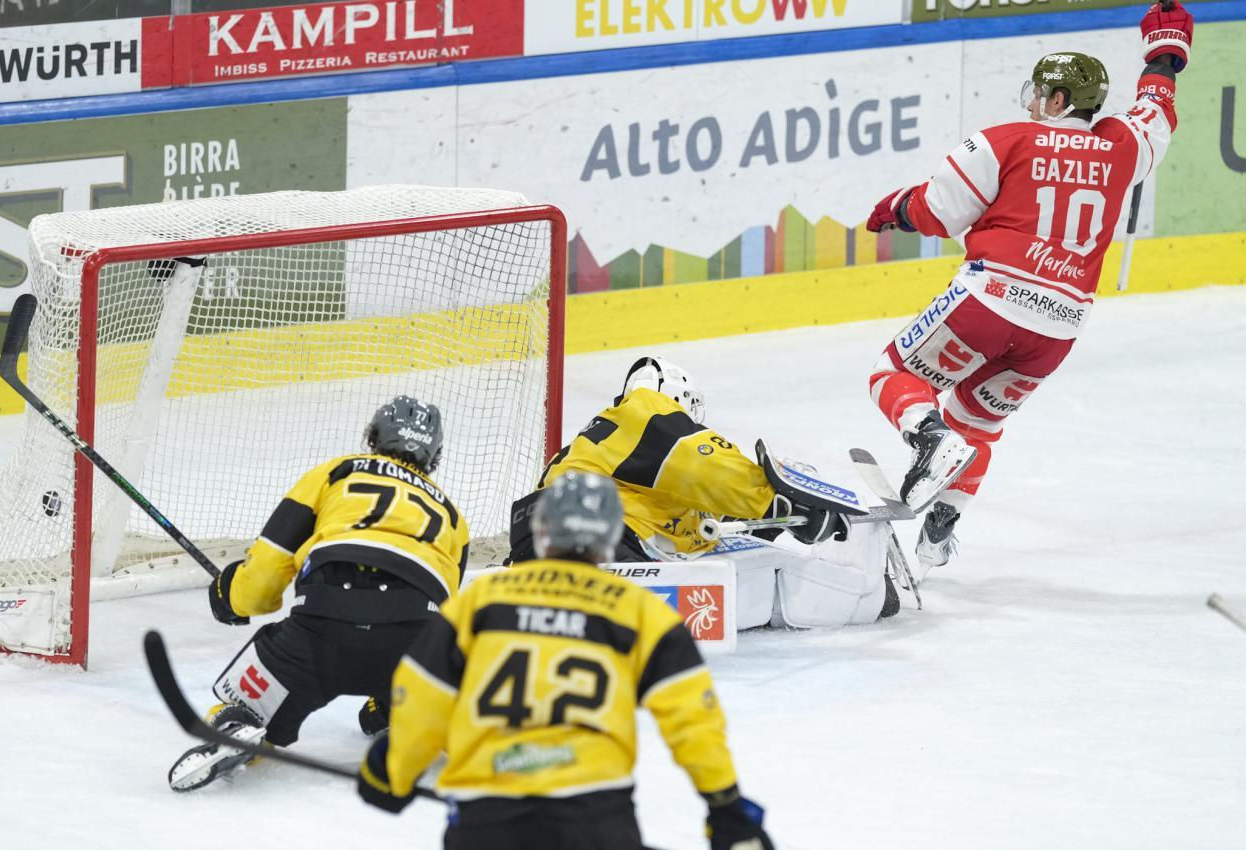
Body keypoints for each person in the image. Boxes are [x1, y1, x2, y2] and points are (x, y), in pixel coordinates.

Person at [863, 2, 1194, 569]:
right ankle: (940, 530)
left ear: (1059, 101)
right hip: (1058, 329)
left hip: (990, 301)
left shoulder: (1005, 141)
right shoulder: (1122, 147)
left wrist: (895, 208)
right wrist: (1165, 52)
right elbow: (1156, 108)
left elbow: (938, 212)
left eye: (1041, 92)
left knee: (892, 376)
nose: (1033, 100)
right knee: (979, 423)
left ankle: (928, 440)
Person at [358, 470, 776, 850]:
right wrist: (725, 806)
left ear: (541, 530)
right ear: (612, 533)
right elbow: (693, 721)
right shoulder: (642, 613)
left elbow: (421, 697)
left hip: (486, 819)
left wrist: (395, 770)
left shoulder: (481, 601)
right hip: (595, 819)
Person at [167, 395, 469, 791]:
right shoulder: (453, 517)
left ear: (374, 436)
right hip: (412, 637)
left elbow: (271, 562)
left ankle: (238, 725)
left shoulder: (337, 472)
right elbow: (447, 611)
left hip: (321, 624)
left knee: (247, 706)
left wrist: (232, 596)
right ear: (436, 454)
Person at [509, 355, 901, 625]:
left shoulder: (603, 449)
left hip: (545, 547)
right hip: (595, 545)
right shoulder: (647, 409)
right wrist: (773, 501)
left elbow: (696, 525)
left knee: (732, 565)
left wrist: (769, 522)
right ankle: (865, 595)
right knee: (764, 578)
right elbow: (706, 465)